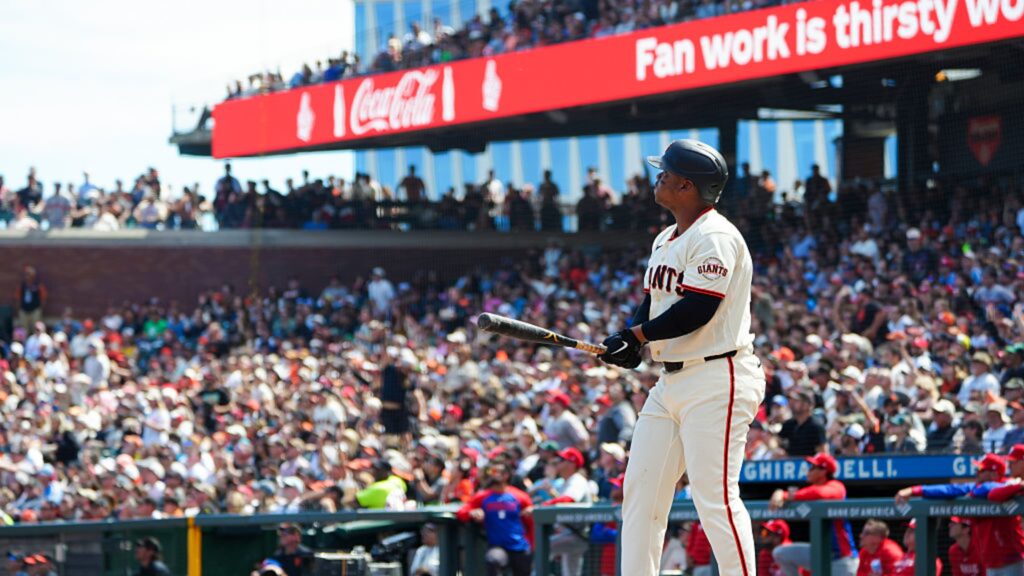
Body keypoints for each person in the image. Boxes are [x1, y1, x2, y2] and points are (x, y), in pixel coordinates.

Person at [598, 140, 766, 576]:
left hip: (718, 375)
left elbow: (697, 309)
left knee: (715, 499)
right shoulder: (665, 237)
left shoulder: (716, 236)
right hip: (672, 381)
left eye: (666, 172)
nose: (659, 176)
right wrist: (633, 342)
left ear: (686, 185)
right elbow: (653, 303)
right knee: (641, 493)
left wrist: (636, 334)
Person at [894, 453, 1024, 574]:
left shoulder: (1009, 484)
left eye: (981, 470)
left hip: (1013, 556)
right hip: (992, 561)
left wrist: (974, 494)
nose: (976, 473)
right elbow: (949, 489)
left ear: (994, 474)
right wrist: (914, 490)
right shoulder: (977, 487)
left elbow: (993, 491)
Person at [769, 453, 858, 576]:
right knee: (780, 553)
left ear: (823, 471)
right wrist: (781, 493)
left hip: (841, 558)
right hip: (820, 552)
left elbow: (821, 493)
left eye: (812, 467)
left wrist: (785, 495)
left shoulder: (837, 486)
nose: (808, 471)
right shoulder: (811, 491)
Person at [456, 461, 533, 576]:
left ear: (506, 475)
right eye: (491, 471)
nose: (492, 474)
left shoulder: (520, 496)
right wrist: (472, 512)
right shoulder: (482, 496)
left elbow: (531, 522)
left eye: (496, 471)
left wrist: (531, 543)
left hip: (520, 546)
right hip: (497, 546)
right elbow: (461, 512)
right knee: (493, 560)